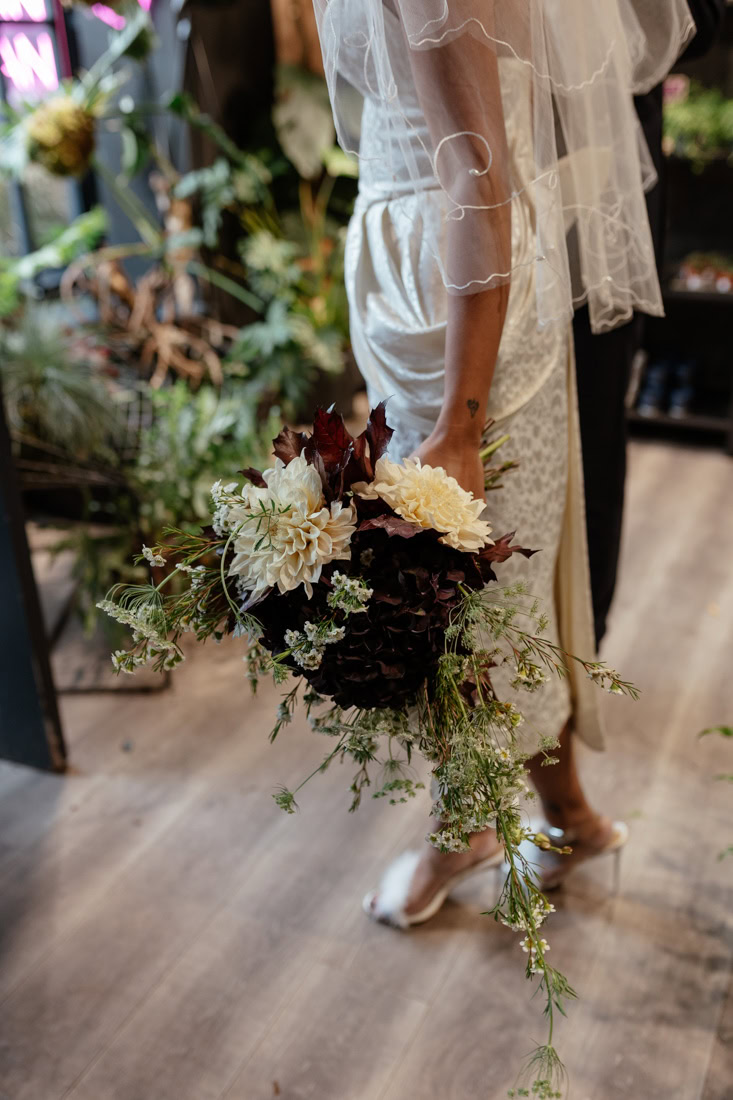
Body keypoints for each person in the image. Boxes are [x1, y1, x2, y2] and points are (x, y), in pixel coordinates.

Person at [311, 0, 695, 924]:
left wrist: (458, 419)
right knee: (493, 596)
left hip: (459, 315)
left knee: (467, 604)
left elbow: (478, 183)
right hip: (424, 293)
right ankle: (562, 813)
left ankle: (473, 826)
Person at [575, 0, 726, 649]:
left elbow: (702, 22)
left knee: (595, 423)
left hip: (607, 199)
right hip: (488, 197)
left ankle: (585, 640)